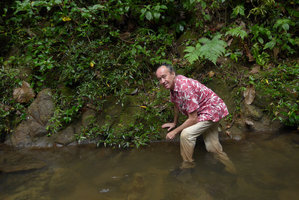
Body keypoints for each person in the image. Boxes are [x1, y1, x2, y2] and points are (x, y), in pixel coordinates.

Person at [156, 64, 236, 173]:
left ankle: (188, 166)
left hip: (212, 110)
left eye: (164, 76)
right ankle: (232, 170)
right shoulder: (173, 86)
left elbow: (193, 119)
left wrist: (175, 131)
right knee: (212, 148)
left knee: (186, 134)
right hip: (206, 111)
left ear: (173, 74)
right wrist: (174, 123)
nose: (162, 81)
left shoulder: (184, 87)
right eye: (159, 79)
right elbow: (176, 104)